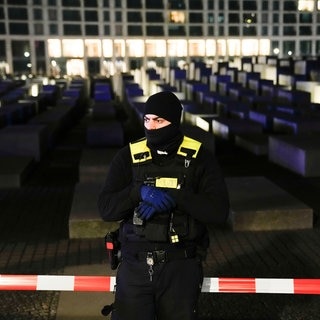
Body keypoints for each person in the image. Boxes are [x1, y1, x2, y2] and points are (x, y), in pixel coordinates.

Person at [98, 91, 230, 320]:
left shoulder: (200, 158)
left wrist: (176, 197)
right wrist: (138, 193)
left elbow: (218, 211)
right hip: (135, 268)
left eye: (159, 120)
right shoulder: (127, 156)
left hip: (180, 268)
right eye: (147, 119)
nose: (151, 126)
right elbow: (106, 208)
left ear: (174, 121)